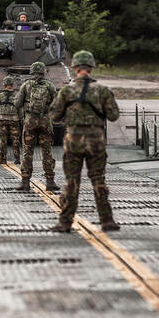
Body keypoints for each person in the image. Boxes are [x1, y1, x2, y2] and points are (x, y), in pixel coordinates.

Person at [48, 50, 120, 232]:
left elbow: (54, 116)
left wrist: (69, 116)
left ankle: (65, 222)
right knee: (98, 180)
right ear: (91, 68)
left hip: (73, 140)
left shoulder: (66, 90)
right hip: (96, 141)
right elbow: (113, 116)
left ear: (74, 68)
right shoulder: (102, 90)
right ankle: (106, 220)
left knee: (71, 181)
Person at [14, 61, 59, 192]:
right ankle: (50, 182)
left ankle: (25, 182)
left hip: (30, 121)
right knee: (47, 152)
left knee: (28, 152)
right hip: (45, 121)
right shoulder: (49, 86)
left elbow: (17, 103)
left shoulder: (26, 85)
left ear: (32, 72)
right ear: (43, 72)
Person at [0, 76, 22, 164]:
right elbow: (20, 108)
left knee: (2, 140)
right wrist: (21, 119)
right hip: (14, 120)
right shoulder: (17, 96)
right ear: (12, 84)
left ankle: (3, 159)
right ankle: (17, 159)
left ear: (4, 84)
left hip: (2, 120)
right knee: (15, 140)